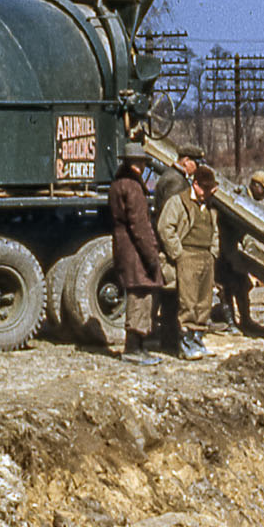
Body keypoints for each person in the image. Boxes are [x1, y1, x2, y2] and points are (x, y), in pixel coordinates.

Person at [108, 143, 164, 365]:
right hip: (135, 250)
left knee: (137, 293)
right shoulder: (133, 187)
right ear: (137, 164)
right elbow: (140, 225)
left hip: (123, 246)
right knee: (141, 296)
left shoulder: (117, 184)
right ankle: (134, 348)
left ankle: (137, 347)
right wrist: (151, 256)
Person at [159, 164, 220, 360]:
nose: (208, 192)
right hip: (187, 256)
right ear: (195, 185)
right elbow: (165, 228)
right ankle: (185, 343)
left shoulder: (210, 207)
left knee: (204, 302)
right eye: (205, 188)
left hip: (206, 258)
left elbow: (216, 232)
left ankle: (198, 339)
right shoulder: (178, 202)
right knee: (188, 301)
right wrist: (178, 254)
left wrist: (213, 253)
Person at [151, 142, 203, 352]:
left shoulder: (168, 177)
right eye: (196, 163)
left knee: (170, 298)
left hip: (169, 246)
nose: (197, 168)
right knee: (174, 298)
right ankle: (172, 344)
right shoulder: (176, 182)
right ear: (186, 161)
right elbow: (170, 221)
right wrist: (177, 252)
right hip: (173, 248)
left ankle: (169, 341)